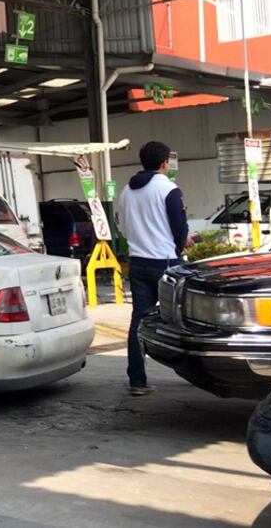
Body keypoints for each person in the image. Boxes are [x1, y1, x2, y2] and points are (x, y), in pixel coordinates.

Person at [115, 141, 189, 397]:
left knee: (138, 322)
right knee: (183, 321)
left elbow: (122, 229)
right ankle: (194, 373)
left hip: (138, 263)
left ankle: (137, 380)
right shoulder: (168, 189)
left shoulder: (126, 191)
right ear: (165, 162)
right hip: (167, 265)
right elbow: (180, 229)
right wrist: (180, 244)